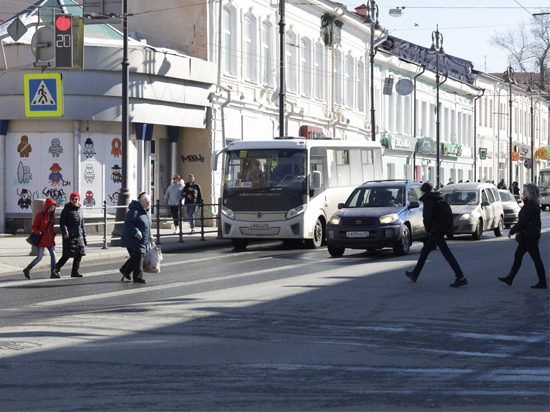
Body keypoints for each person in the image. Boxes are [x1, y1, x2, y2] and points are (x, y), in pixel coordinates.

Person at [405, 182, 468, 288]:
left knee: (447, 254)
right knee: (425, 251)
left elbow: (428, 217)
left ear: (424, 191)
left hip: (436, 231)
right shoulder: (437, 198)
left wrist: (429, 229)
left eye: (422, 190)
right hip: (438, 229)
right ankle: (415, 273)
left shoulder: (428, 200)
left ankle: (460, 277)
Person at [498, 183, 547, 289]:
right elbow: (537, 222)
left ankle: (542, 282)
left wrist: (512, 231)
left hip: (529, 235)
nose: (522, 193)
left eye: (525, 191)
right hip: (529, 235)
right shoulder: (531, 204)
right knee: (519, 254)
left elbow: (522, 222)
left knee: (536, 259)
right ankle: (510, 278)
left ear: (530, 193)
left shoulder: (530, 206)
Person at [120, 192, 154, 284]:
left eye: (150, 202)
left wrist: (150, 235)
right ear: (141, 202)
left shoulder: (145, 212)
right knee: (138, 257)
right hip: (132, 239)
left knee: (137, 256)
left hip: (141, 240)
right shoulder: (134, 211)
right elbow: (128, 223)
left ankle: (125, 270)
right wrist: (136, 232)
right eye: (147, 202)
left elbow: (147, 226)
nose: (149, 204)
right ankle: (138, 277)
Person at [52, 192, 86, 278]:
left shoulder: (80, 210)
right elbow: (62, 222)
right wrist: (65, 232)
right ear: (70, 200)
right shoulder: (67, 209)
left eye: (76, 199)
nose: (74, 200)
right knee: (67, 254)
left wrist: (84, 235)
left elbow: (82, 224)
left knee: (79, 254)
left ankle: (75, 271)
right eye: (72, 199)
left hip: (79, 235)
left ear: (79, 200)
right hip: (70, 235)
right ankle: (56, 268)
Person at [23, 198, 58, 279]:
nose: (52, 209)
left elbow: (51, 227)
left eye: (53, 207)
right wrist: (39, 233)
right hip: (41, 239)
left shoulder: (51, 216)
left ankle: (53, 271)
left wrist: (53, 233)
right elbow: (34, 227)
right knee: (39, 257)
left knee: (53, 254)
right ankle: (28, 269)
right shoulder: (39, 215)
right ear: (47, 207)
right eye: (51, 207)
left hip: (49, 239)